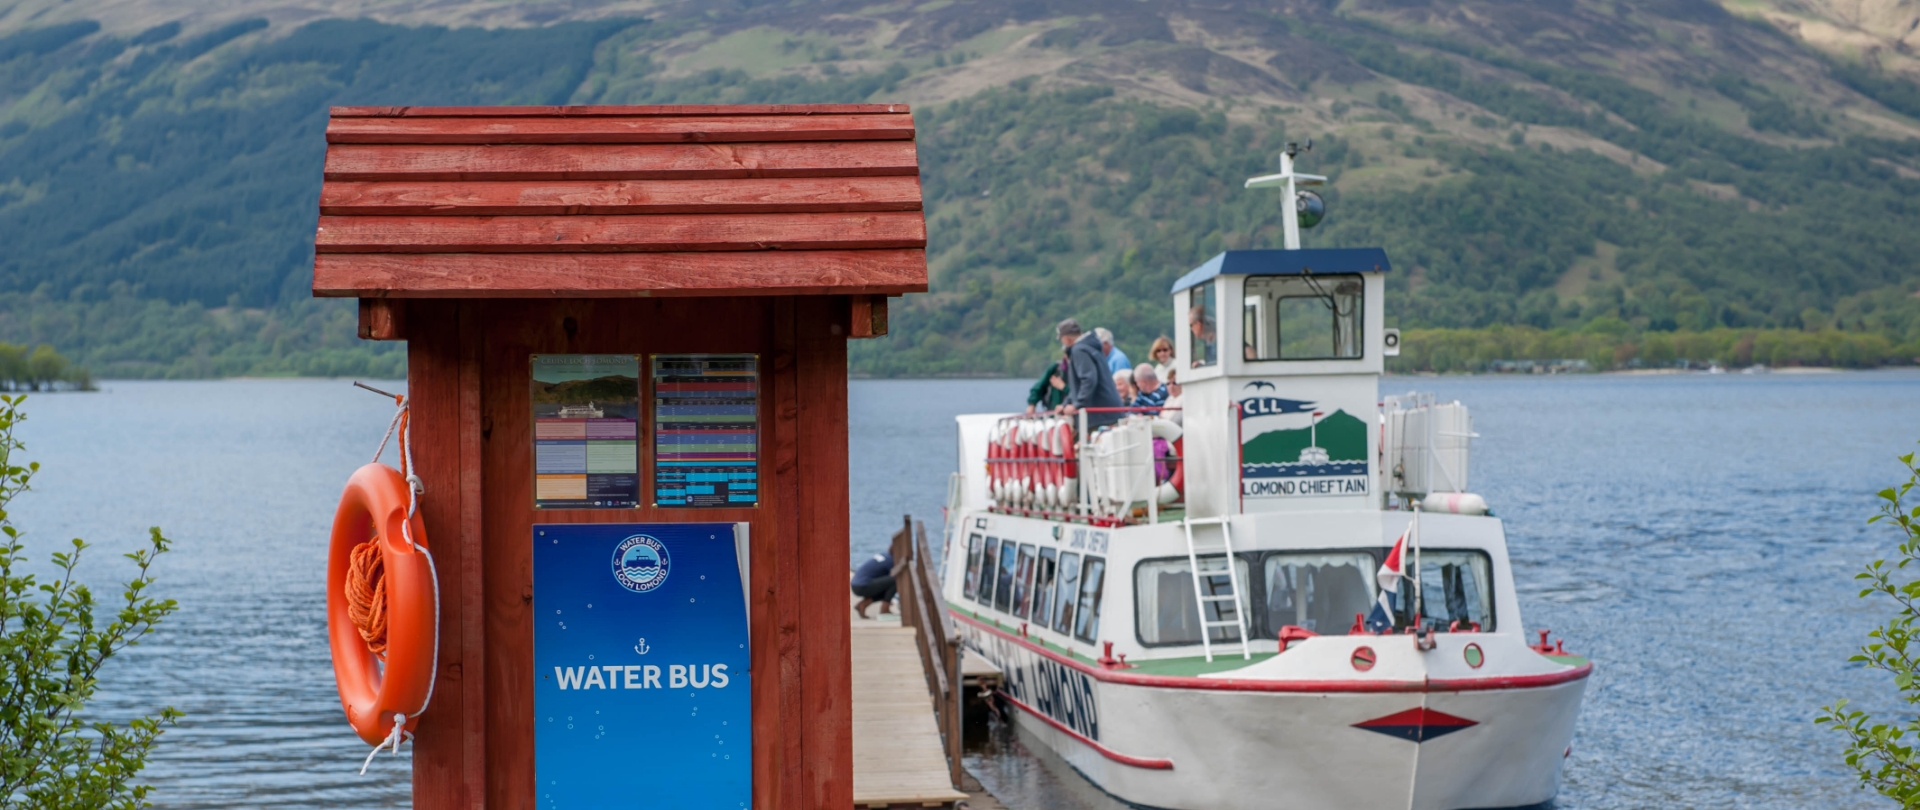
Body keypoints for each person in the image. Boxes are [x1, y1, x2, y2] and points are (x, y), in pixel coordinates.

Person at [1057, 318, 1123, 429]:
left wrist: (1076, 405)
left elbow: (1088, 379)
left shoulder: (1079, 350)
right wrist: (1065, 404)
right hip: (1110, 411)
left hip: (1099, 416)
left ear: (1066, 338)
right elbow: (1079, 386)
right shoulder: (1092, 346)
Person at [851, 550, 897, 619]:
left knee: (887, 587)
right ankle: (885, 609)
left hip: (855, 585)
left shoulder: (885, 556)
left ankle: (863, 604)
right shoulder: (891, 561)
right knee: (895, 580)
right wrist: (888, 599)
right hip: (863, 585)